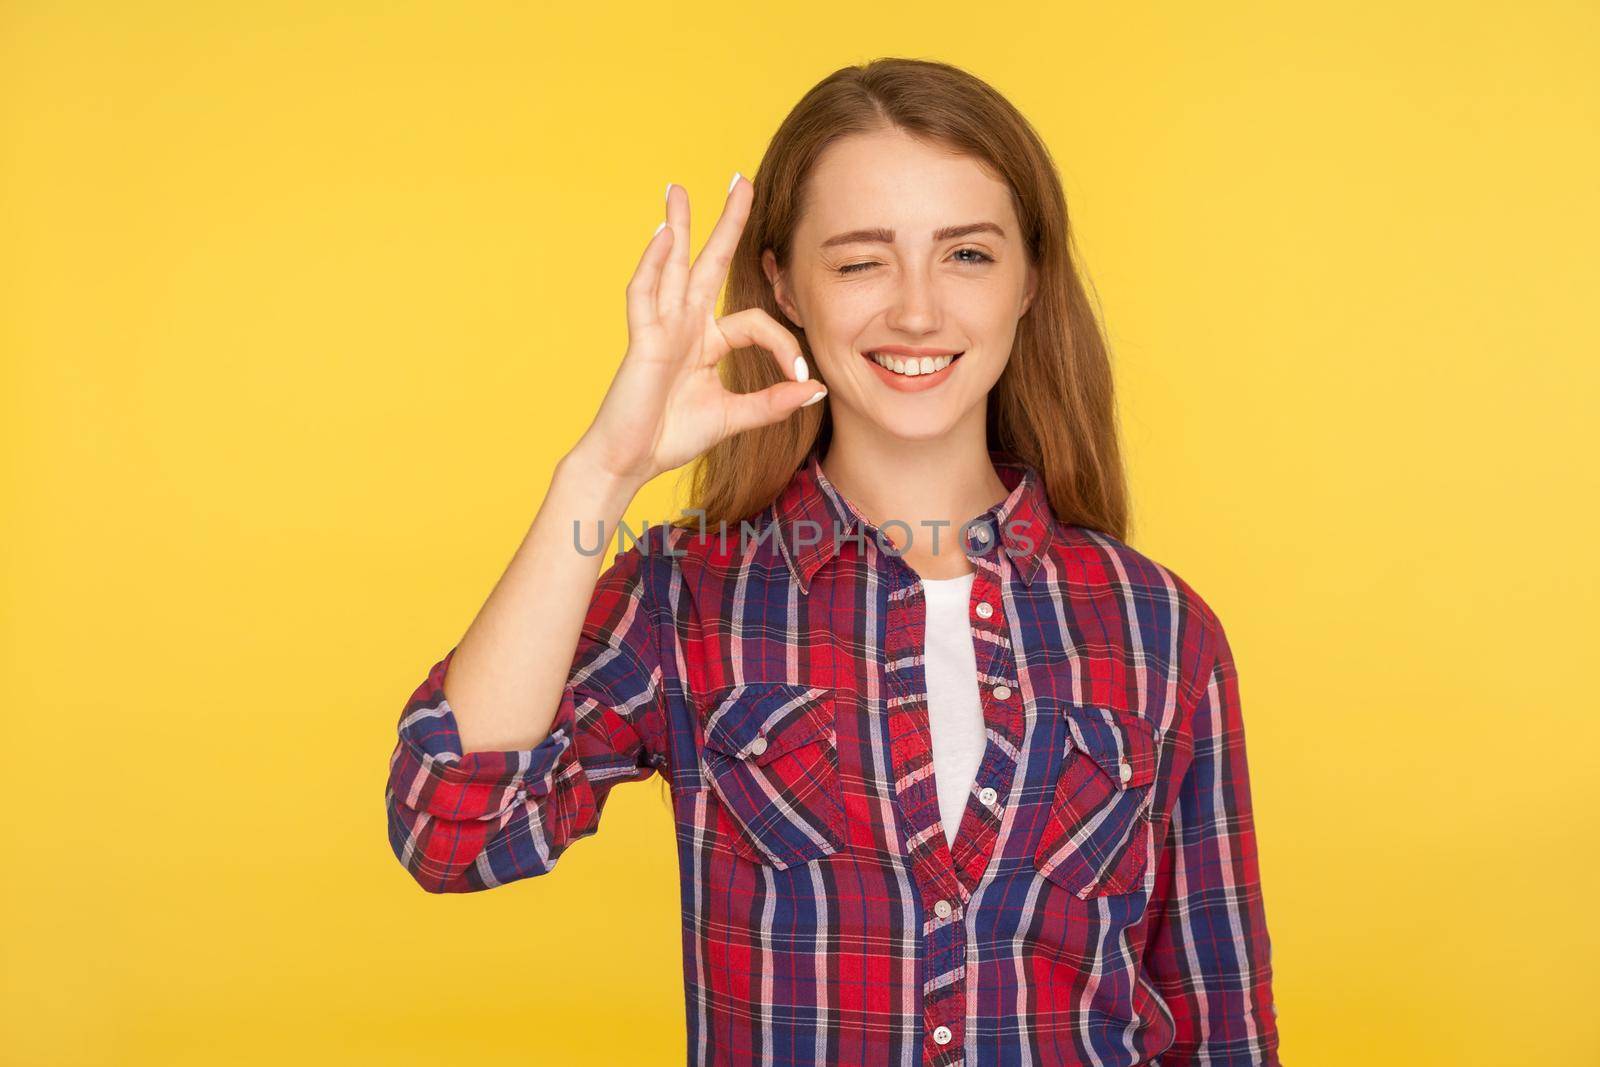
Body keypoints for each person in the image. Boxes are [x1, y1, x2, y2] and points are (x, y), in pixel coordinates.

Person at [384, 56, 1281, 1067]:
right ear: (784, 284)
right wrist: (602, 471)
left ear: (1030, 277)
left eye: (967, 256)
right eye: (860, 261)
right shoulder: (691, 596)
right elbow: (449, 825)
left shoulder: (1161, 629)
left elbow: (1221, 1029)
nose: (914, 311)